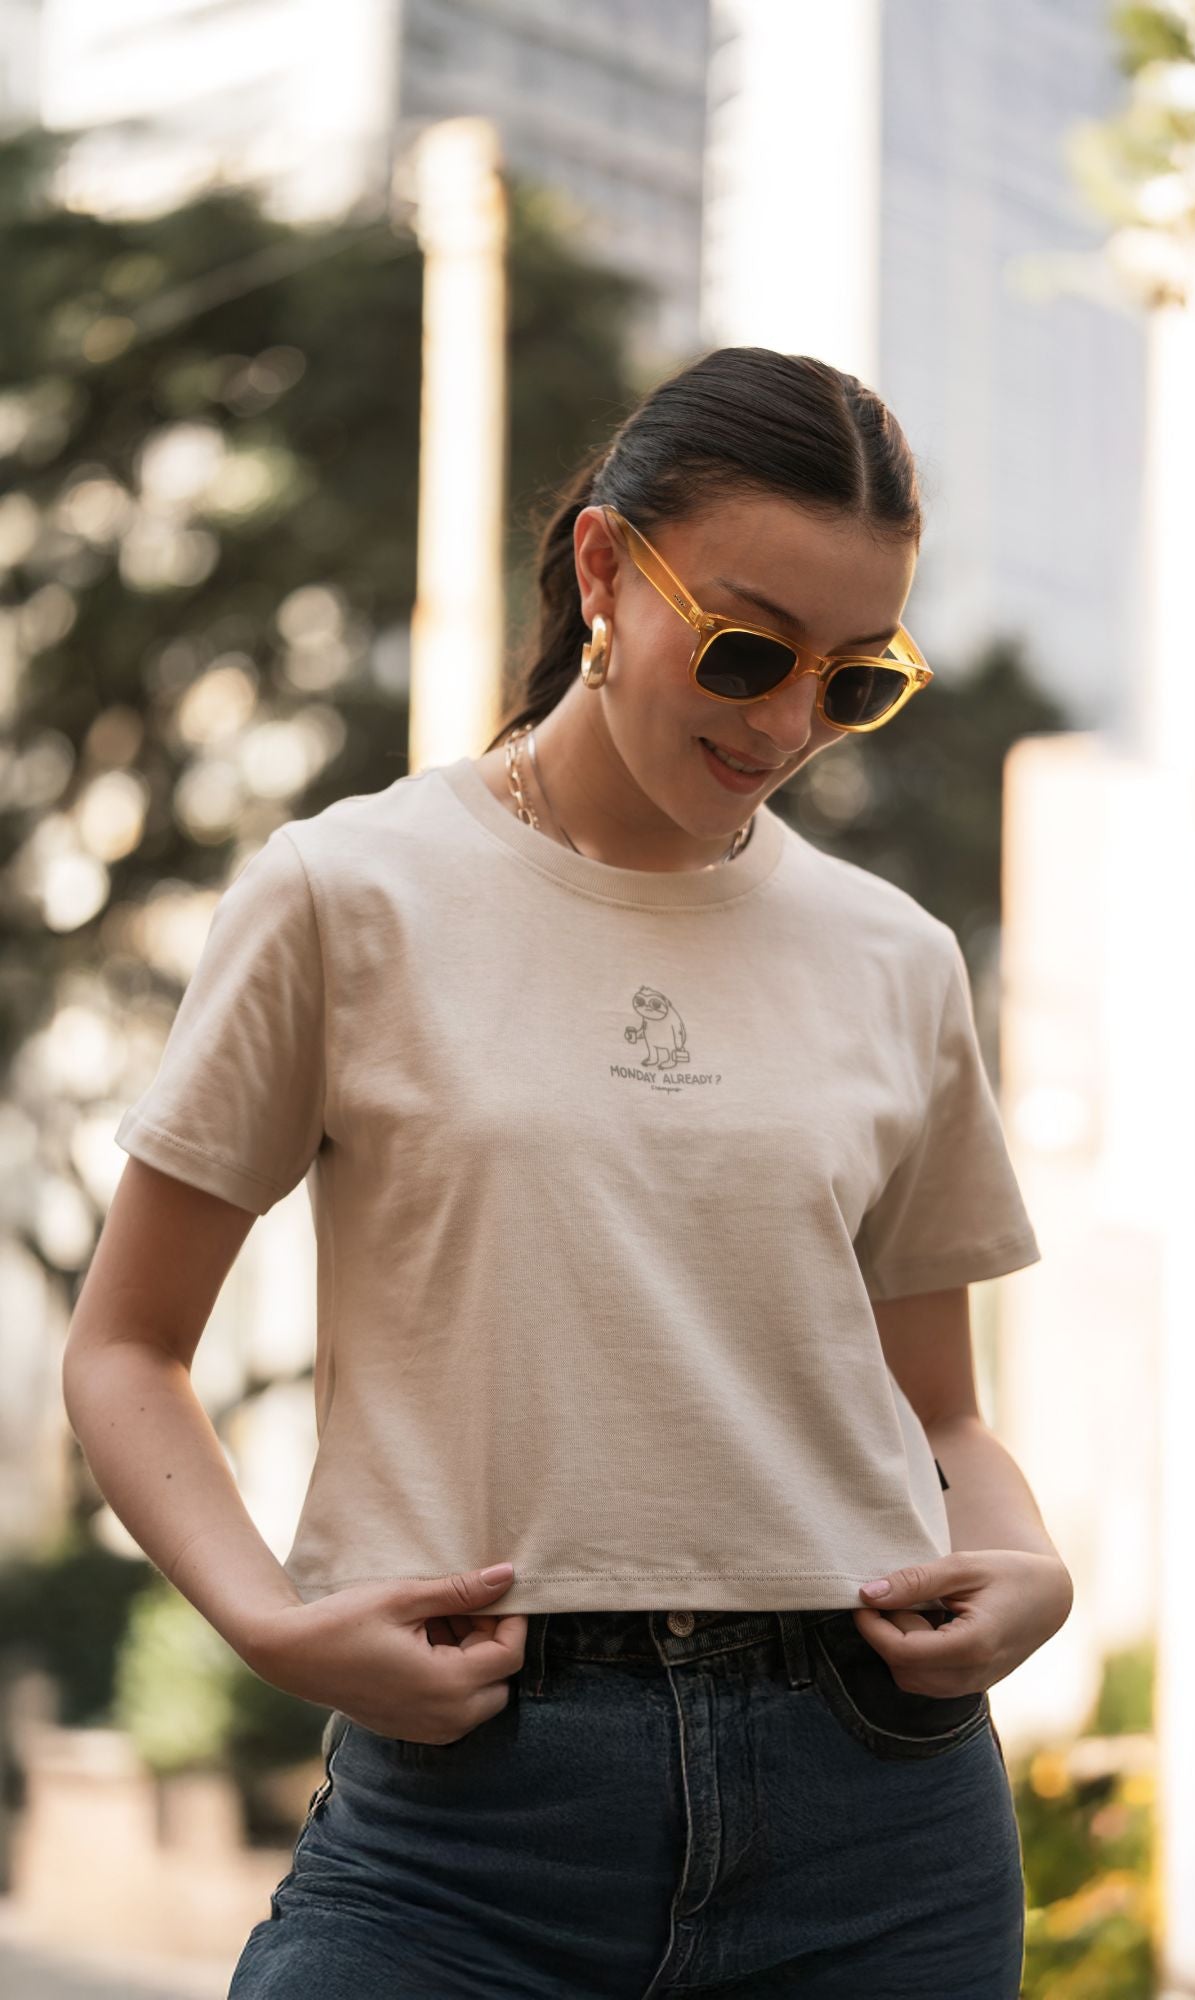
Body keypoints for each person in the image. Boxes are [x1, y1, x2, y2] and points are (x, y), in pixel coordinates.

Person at [65, 345, 1072, 1998]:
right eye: (746, 649)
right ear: (605, 567)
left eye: (853, 681)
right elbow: (125, 1347)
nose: (786, 722)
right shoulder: (345, 894)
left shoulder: (893, 957)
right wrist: (269, 1625)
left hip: (876, 1816)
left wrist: (1027, 1567)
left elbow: (940, 1417)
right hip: (468, 1820)